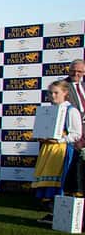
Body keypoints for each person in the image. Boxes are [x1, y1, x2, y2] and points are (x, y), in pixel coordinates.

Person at [32, 80, 81, 223]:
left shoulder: (71, 111)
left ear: (65, 93)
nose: (52, 96)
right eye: (50, 93)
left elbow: (76, 134)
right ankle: (53, 213)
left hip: (62, 151)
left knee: (61, 183)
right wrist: (40, 137)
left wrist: (59, 140)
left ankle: (62, 215)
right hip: (48, 150)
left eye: (56, 93)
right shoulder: (48, 111)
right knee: (47, 184)